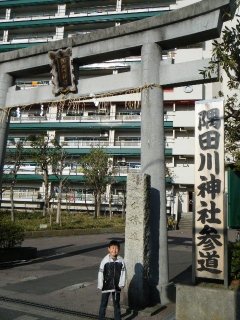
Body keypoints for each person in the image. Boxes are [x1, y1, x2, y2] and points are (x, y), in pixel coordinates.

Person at [98, 240, 126, 320]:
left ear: (119, 249)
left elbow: (123, 272)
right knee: (103, 303)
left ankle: (117, 318)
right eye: (112, 248)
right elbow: (100, 273)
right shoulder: (105, 261)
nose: (114, 250)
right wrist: (101, 284)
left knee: (116, 304)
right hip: (106, 285)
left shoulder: (121, 260)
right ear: (109, 249)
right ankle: (101, 318)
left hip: (116, 285)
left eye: (116, 248)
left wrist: (121, 283)